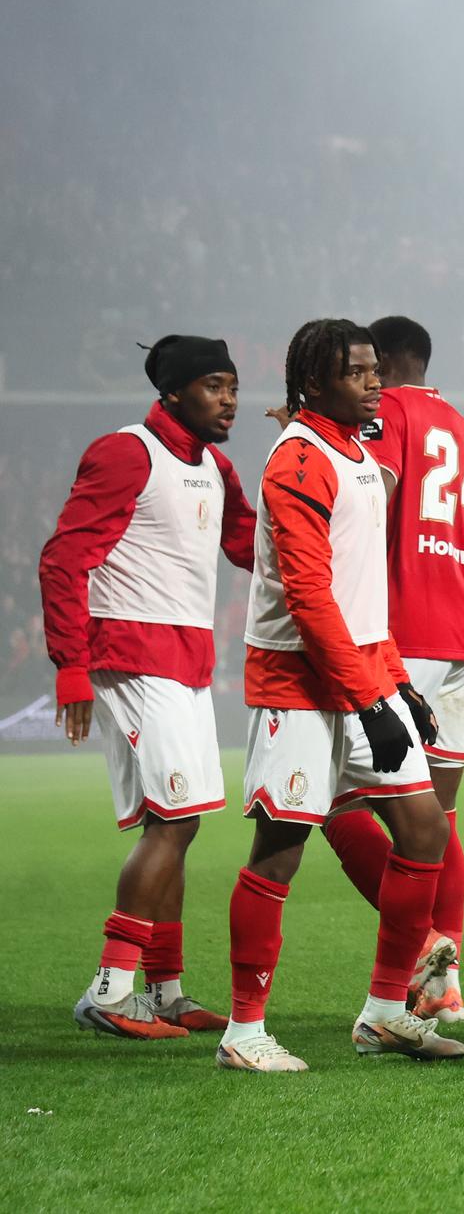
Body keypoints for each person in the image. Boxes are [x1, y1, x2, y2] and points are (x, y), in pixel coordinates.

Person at [218, 318, 461, 1072]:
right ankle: (243, 1031)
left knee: (424, 832)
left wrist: (395, 686)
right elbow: (309, 597)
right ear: (314, 383)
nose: (373, 382)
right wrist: (365, 700)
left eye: (374, 370)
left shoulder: (358, 455)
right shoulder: (298, 458)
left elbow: (363, 600)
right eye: (357, 372)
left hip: (360, 676)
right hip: (298, 685)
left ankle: (387, 1012)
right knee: (280, 849)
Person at [42, 336, 254, 1039]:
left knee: (181, 821)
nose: (230, 400)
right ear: (173, 392)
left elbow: (250, 544)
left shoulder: (214, 464)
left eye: (232, 385)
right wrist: (71, 666)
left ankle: (164, 990)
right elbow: (63, 558)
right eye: (214, 385)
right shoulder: (127, 451)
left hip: (186, 660)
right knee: (175, 820)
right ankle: (111, 987)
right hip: (132, 654)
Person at [312, 315, 464, 1025]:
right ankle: (447, 979)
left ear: (377, 363)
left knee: (331, 802)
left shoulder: (389, 417)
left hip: (402, 635)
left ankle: (426, 947)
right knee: (436, 815)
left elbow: (367, 501)